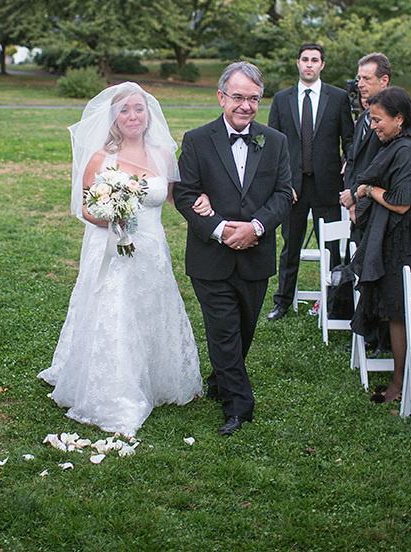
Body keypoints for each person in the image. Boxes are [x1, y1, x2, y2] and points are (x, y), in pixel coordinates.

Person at [38, 82, 202, 437]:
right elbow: (84, 207)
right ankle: (114, 392)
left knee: (150, 310)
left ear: (149, 114)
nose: (132, 116)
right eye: (124, 110)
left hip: (152, 249)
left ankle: (155, 379)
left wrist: (205, 204)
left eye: (138, 109)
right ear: (114, 117)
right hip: (110, 251)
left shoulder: (163, 154)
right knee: (114, 312)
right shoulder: (101, 158)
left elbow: (177, 198)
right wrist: (112, 214)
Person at [174, 62, 293, 435]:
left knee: (243, 330)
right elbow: (184, 193)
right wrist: (222, 229)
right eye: (238, 97)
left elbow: (284, 194)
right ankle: (239, 405)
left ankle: (219, 381)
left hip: (256, 254)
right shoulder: (197, 139)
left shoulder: (275, 141)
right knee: (223, 330)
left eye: (254, 98)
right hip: (211, 256)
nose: (245, 105)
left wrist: (255, 227)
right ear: (221, 97)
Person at [347, 87, 411, 403]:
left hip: (406, 240)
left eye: (378, 119)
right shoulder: (394, 143)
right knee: (393, 310)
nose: (373, 126)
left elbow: (400, 203)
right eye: (371, 119)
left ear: (399, 118)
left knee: (400, 311)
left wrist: (369, 190)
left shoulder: (410, 150)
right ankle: (399, 378)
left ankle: (400, 384)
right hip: (391, 237)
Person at [266, 42, 353, 321]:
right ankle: (282, 302)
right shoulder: (282, 99)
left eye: (315, 60)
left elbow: (348, 140)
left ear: (322, 65)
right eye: (305, 59)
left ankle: (335, 302)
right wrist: (282, 181)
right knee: (290, 246)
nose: (309, 64)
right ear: (298, 63)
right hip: (292, 187)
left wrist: (347, 165)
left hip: (327, 185)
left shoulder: (338, 98)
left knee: (332, 248)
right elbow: (273, 146)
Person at [341, 53, 391, 226]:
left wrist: (355, 193)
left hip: (379, 209)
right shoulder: (364, 118)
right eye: (359, 78)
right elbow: (352, 159)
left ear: (384, 80)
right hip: (359, 208)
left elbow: (381, 164)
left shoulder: (393, 120)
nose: (360, 85)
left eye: (366, 79)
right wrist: (351, 197)